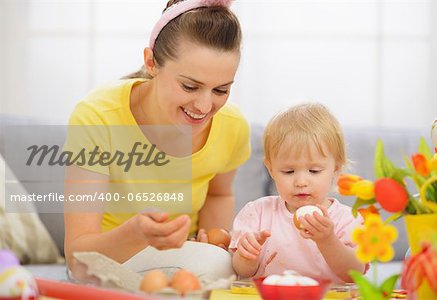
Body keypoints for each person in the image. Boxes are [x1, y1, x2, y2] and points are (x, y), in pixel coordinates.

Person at [63, 0, 250, 278]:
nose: (204, 106)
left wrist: (214, 238)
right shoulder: (97, 117)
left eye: (221, 90)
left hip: (186, 258)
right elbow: (78, 259)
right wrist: (136, 234)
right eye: (189, 86)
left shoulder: (231, 126)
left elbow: (219, 193)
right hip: (108, 261)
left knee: (222, 264)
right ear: (151, 63)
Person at [230, 103, 366, 283]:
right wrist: (247, 257)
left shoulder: (347, 219)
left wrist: (328, 240)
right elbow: (243, 271)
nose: (301, 182)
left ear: (336, 169)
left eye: (314, 171)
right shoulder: (257, 213)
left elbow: (354, 274)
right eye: (288, 172)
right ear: (271, 169)